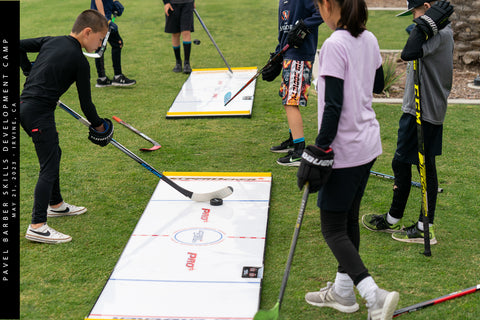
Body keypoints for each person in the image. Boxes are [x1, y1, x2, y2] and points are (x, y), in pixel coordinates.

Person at [296, 0, 400, 318]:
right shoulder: (368, 38)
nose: (318, 12)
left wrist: (319, 150)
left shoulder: (334, 44)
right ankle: (343, 293)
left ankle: (374, 296)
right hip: (367, 145)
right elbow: (379, 84)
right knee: (348, 217)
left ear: (330, 5)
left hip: (346, 149)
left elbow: (333, 106)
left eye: (319, 5)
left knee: (332, 228)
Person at [362, 1, 454, 245]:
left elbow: (408, 52)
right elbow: (412, 40)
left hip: (422, 110)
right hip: (417, 108)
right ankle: (397, 218)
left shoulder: (441, 34)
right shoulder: (434, 31)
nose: (413, 19)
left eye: (415, 12)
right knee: (407, 163)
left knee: (413, 164)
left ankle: (422, 226)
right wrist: (426, 21)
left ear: (426, 7)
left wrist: (425, 22)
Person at [19, 10, 114, 244]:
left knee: (54, 154)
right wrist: (100, 126)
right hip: (38, 113)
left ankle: (56, 204)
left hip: (29, 108)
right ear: (87, 32)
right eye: (100, 40)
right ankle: (37, 225)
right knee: (49, 166)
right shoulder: (80, 61)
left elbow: (18, 45)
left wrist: (27, 69)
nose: (101, 45)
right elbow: (86, 105)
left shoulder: (52, 41)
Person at [262, 0, 323, 166]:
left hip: (300, 55)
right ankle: (293, 138)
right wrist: (276, 57)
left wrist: (304, 26)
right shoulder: (283, 2)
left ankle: (299, 151)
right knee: (286, 98)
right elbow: (285, 32)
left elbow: (322, 12)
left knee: (291, 101)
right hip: (289, 56)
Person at [91, 0, 136, 87]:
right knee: (116, 44)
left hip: (102, 17)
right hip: (101, 19)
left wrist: (115, 3)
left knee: (101, 47)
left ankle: (102, 79)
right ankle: (118, 77)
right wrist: (104, 19)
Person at [163, 0, 195, 74]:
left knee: (186, 32)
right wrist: (166, 2)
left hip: (187, 4)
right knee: (175, 34)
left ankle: (187, 63)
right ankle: (178, 63)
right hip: (172, 4)